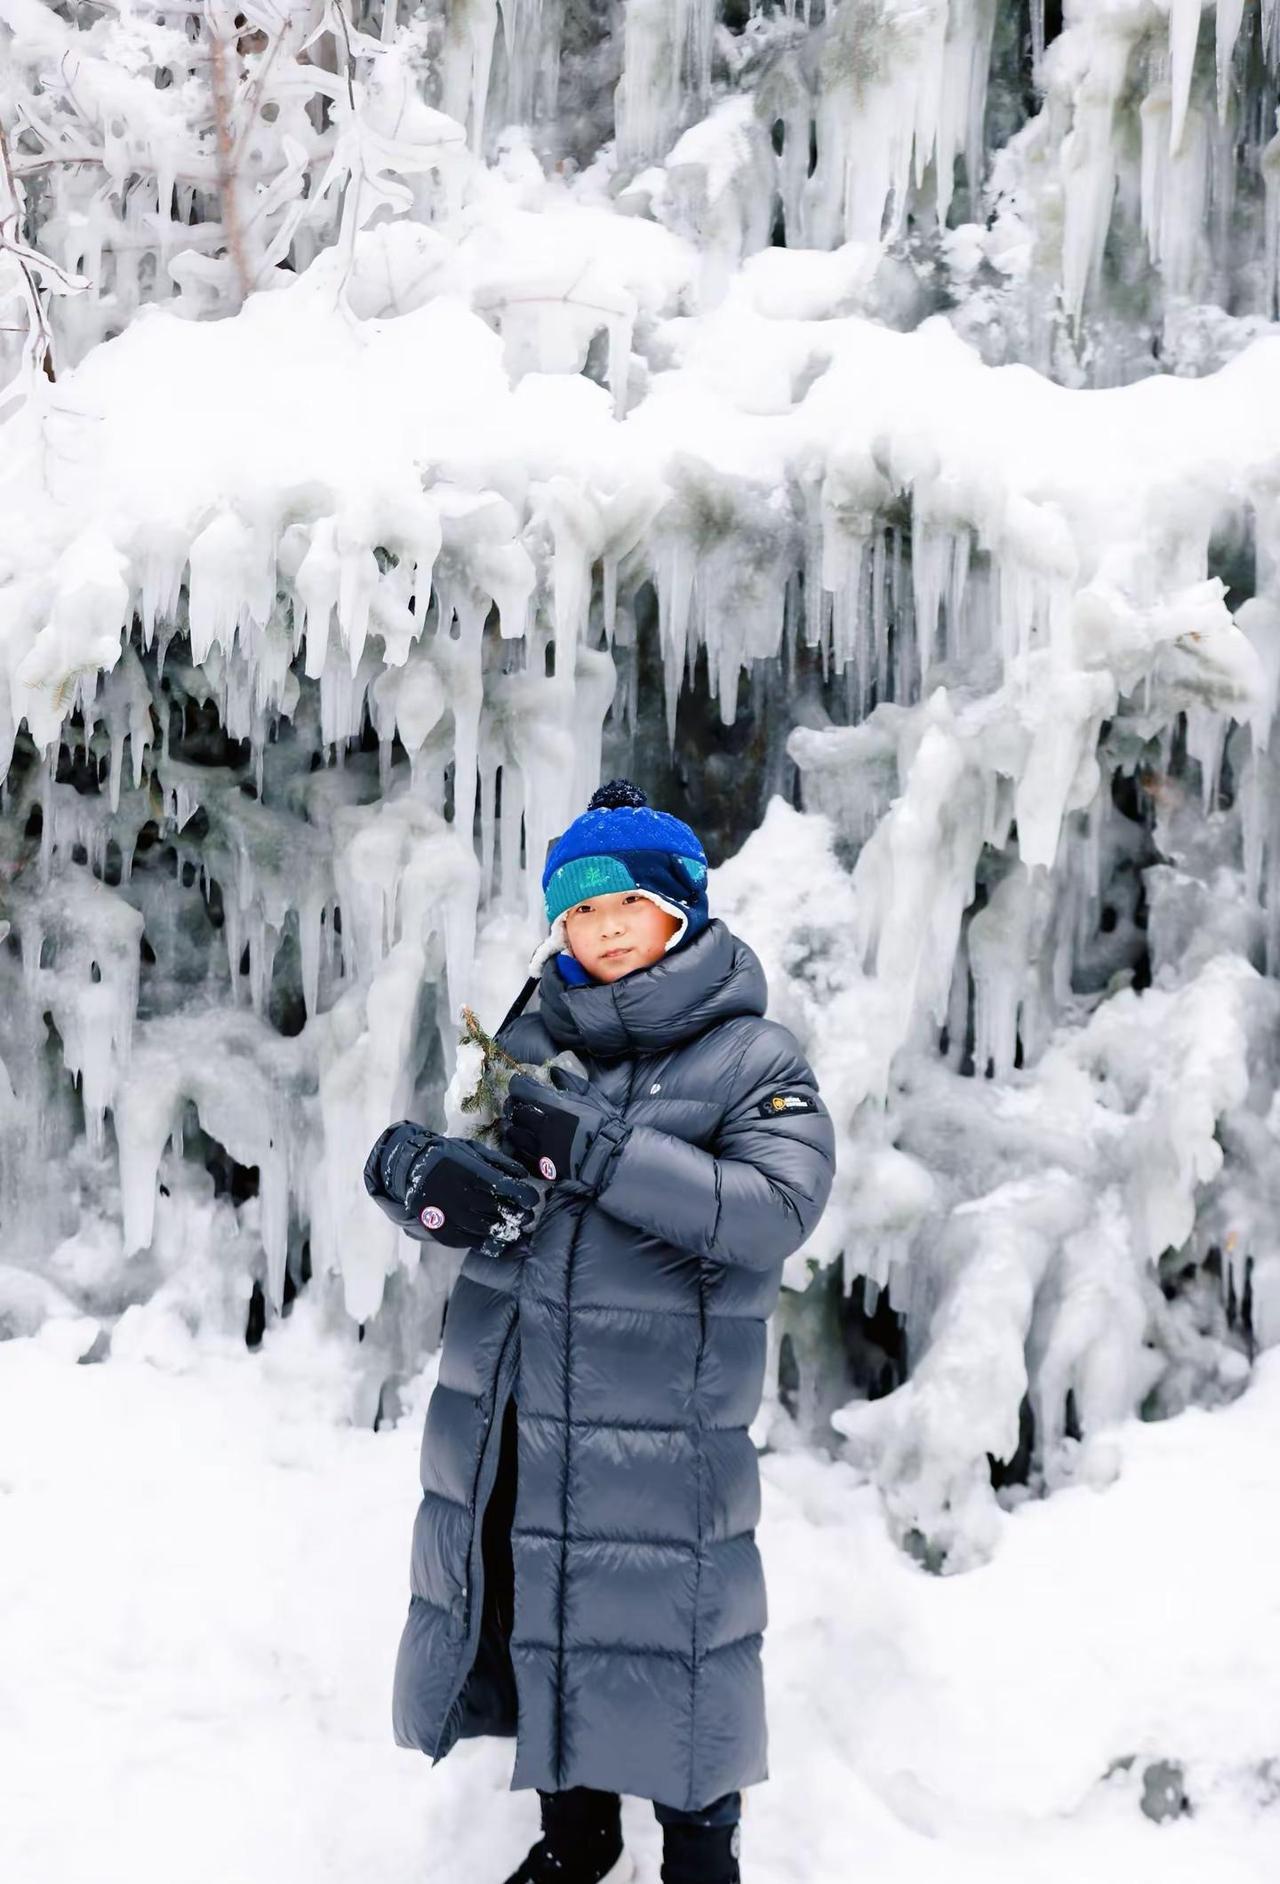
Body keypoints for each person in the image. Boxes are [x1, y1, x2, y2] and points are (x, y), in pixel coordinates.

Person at [364, 779, 836, 1884]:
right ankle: (573, 1842)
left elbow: (772, 1211)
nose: (603, 926)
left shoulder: (749, 1058)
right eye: (578, 908)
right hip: (529, 1412)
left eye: (627, 901)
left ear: (680, 911)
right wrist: (418, 1179)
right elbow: (485, 1183)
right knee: (550, 1617)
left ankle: (698, 1858)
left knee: (676, 1638)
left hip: (662, 1425)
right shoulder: (532, 1044)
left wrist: (597, 1153)